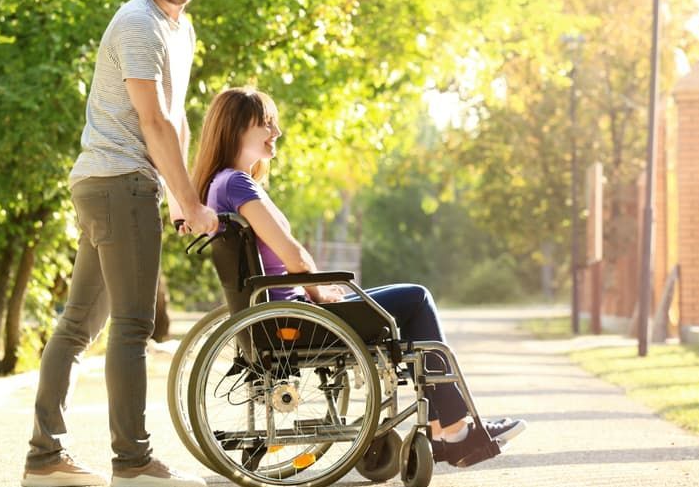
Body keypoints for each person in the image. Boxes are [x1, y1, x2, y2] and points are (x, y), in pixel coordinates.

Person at [189, 87, 527, 467]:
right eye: (266, 123)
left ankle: (446, 428)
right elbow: (293, 256)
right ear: (236, 128)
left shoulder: (220, 185)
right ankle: (453, 430)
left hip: (280, 313)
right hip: (294, 317)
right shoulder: (236, 184)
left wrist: (319, 291)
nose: (276, 132)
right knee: (417, 299)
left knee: (405, 300)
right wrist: (320, 294)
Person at [21, 0, 218, 487]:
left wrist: (187, 198)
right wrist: (185, 199)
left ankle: (45, 457)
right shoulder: (138, 24)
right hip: (119, 182)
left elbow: (176, 120)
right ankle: (133, 461)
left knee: (78, 325)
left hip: (113, 184)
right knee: (131, 325)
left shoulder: (180, 28)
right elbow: (151, 121)